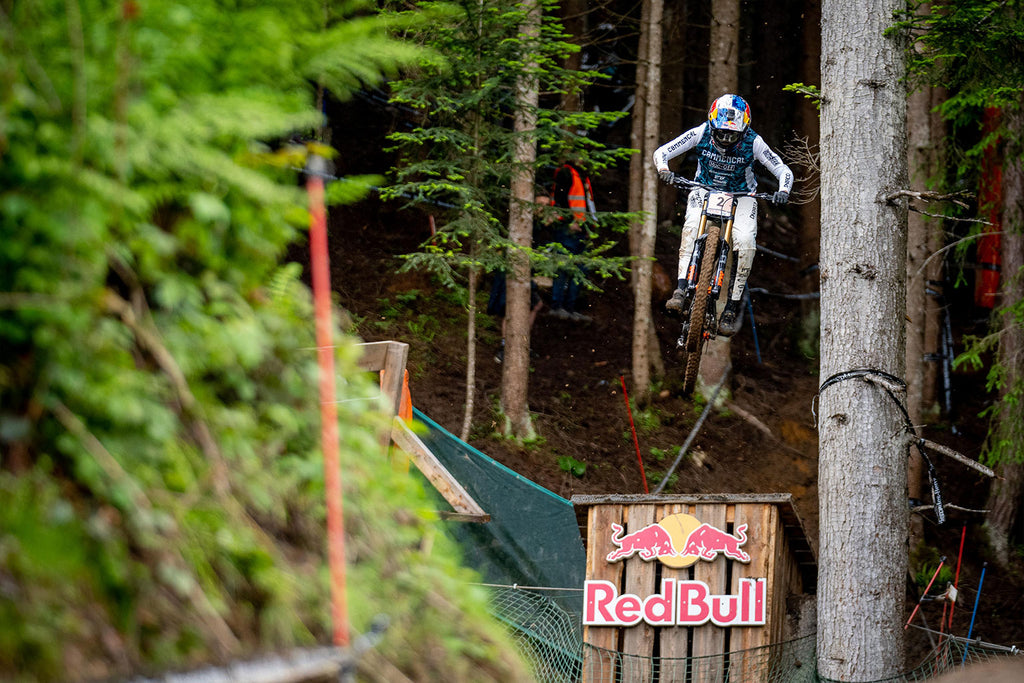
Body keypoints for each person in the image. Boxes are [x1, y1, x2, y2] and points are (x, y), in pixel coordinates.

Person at [653, 93, 793, 336]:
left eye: (732, 134)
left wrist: (783, 190)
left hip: (742, 196)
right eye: (721, 133)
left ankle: (731, 306)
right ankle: (681, 288)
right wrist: (664, 169)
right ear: (712, 123)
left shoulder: (754, 142)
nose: (725, 139)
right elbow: (662, 152)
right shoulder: (702, 132)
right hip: (704, 189)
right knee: (690, 230)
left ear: (744, 128)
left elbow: (782, 169)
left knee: (747, 242)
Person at [488, 196, 549, 363]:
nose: (543, 208)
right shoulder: (523, 222)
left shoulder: (540, 226)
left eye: (546, 205)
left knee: (535, 304)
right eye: (540, 204)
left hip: (524, 273)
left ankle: (521, 344)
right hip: (511, 272)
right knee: (509, 309)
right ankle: (504, 347)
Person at [547, 159, 597, 322]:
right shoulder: (566, 172)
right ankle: (557, 306)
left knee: (579, 270)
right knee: (563, 268)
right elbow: (559, 201)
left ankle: (570, 307)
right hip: (567, 230)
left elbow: (587, 204)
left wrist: (589, 227)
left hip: (582, 231)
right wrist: (569, 222)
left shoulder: (582, 176)